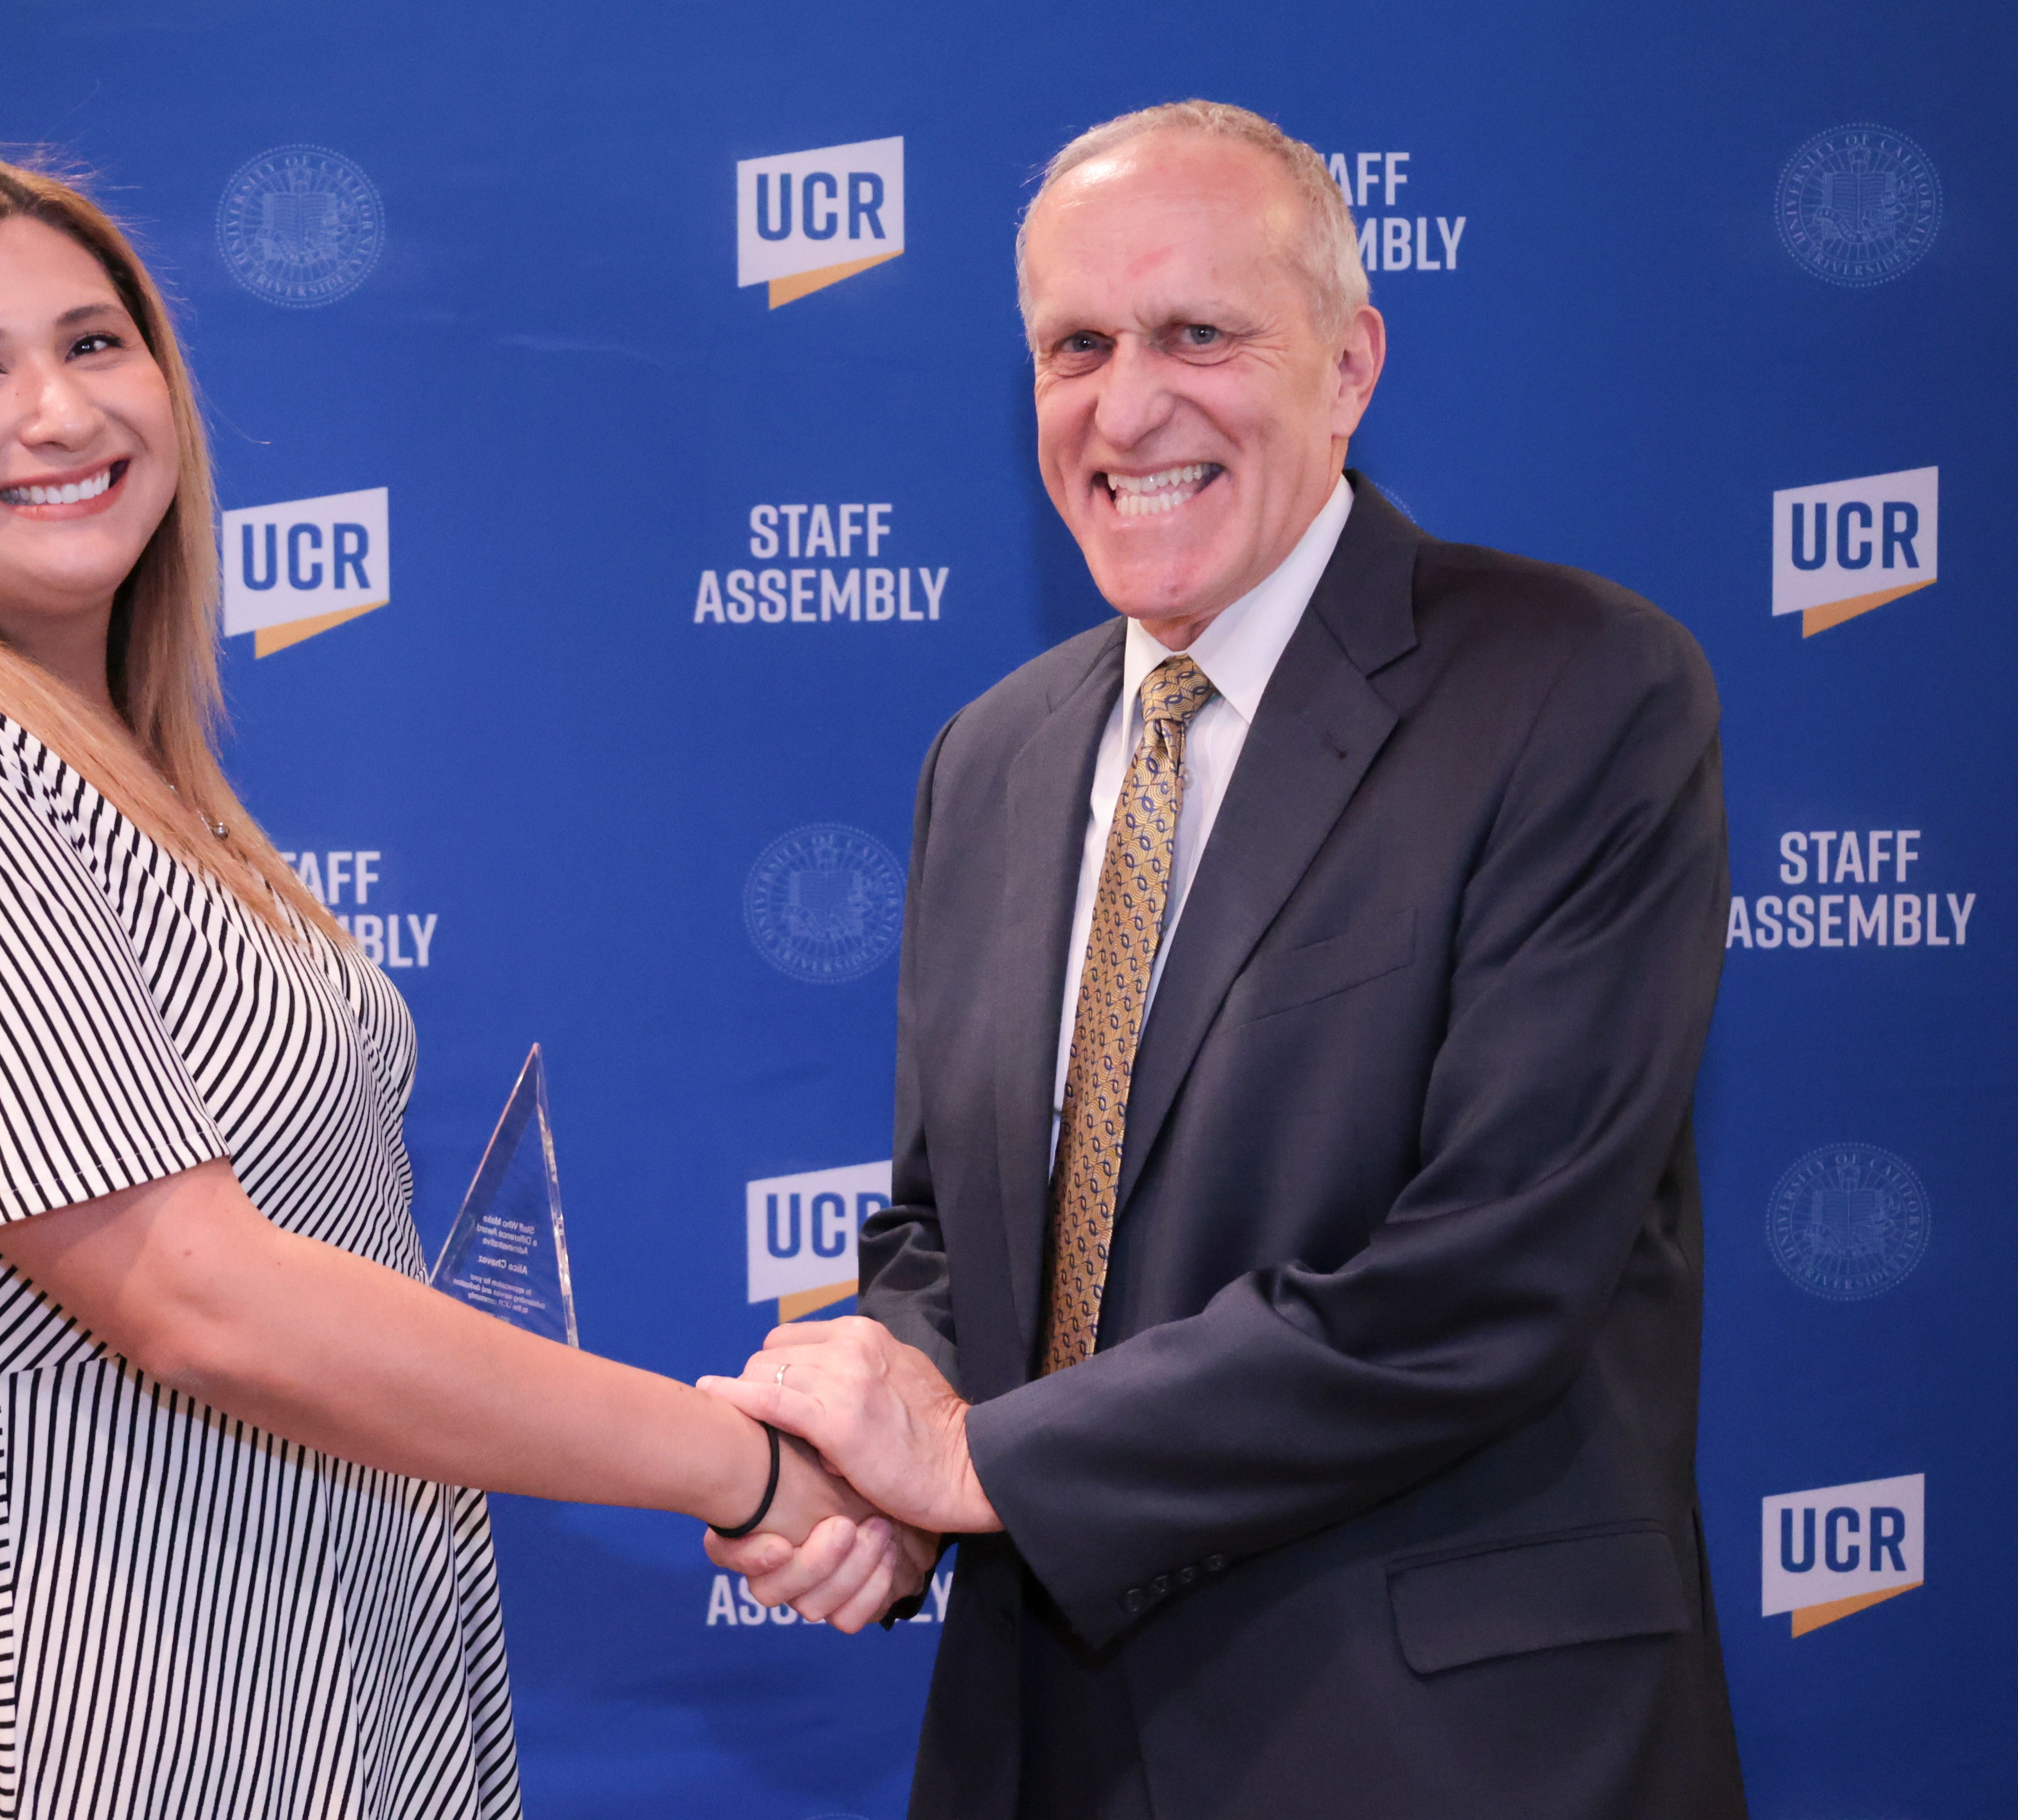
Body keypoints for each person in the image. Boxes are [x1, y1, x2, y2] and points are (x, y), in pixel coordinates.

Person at [0, 148, 860, 1820]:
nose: (61, 411)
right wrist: (738, 1470)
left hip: (292, 1705)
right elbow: (199, 1297)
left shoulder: (121, 777)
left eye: (96, 343)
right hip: (55, 1727)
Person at [701, 102, 1746, 1818]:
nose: (1127, 407)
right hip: (1042, 1742)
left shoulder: (1582, 690)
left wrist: (969, 1461)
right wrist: (866, 1430)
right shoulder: (995, 754)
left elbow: (1488, 1275)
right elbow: (953, 1230)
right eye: (1076, 346)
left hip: (1448, 1756)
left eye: (1200, 334)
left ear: (1349, 365)